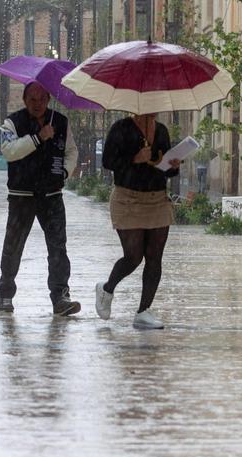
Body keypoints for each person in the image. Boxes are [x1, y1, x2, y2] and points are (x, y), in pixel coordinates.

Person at [0, 82, 80, 316]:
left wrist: (64, 172)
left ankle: (61, 297)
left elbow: (71, 151)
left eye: (42, 99)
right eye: (32, 99)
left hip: (52, 195)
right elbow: (9, 151)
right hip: (21, 196)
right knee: (13, 247)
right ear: (24, 99)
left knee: (58, 248)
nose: (37, 104)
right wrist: (37, 138)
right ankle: (5, 293)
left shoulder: (61, 122)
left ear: (49, 98)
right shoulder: (12, 123)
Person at [93, 112, 181, 330]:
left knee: (154, 257)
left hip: (157, 198)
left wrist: (173, 164)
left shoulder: (160, 130)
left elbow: (167, 170)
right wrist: (134, 158)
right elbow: (108, 162)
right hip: (127, 198)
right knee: (133, 256)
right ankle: (107, 288)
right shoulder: (121, 128)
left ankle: (143, 311)